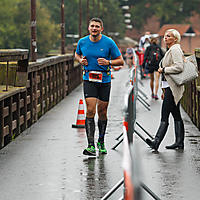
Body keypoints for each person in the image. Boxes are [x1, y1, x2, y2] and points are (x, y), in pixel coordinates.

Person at [75, 18, 124, 156]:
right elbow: (77, 54)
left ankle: (101, 141)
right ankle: (90, 145)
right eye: (92, 26)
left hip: (104, 80)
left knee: (102, 111)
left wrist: (108, 62)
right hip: (89, 79)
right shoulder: (82, 42)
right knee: (90, 110)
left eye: (97, 26)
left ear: (101, 29)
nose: (94, 28)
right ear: (88, 28)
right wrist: (80, 60)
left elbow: (121, 61)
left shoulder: (109, 42)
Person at [146, 29, 185, 151]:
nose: (165, 38)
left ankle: (156, 142)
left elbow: (179, 67)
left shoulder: (175, 49)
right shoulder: (171, 49)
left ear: (175, 39)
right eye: (165, 36)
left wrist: (164, 70)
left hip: (172, 88)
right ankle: (179, 142)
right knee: (176, 115)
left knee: (165, 115)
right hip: (169, 87)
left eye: (169, 36)